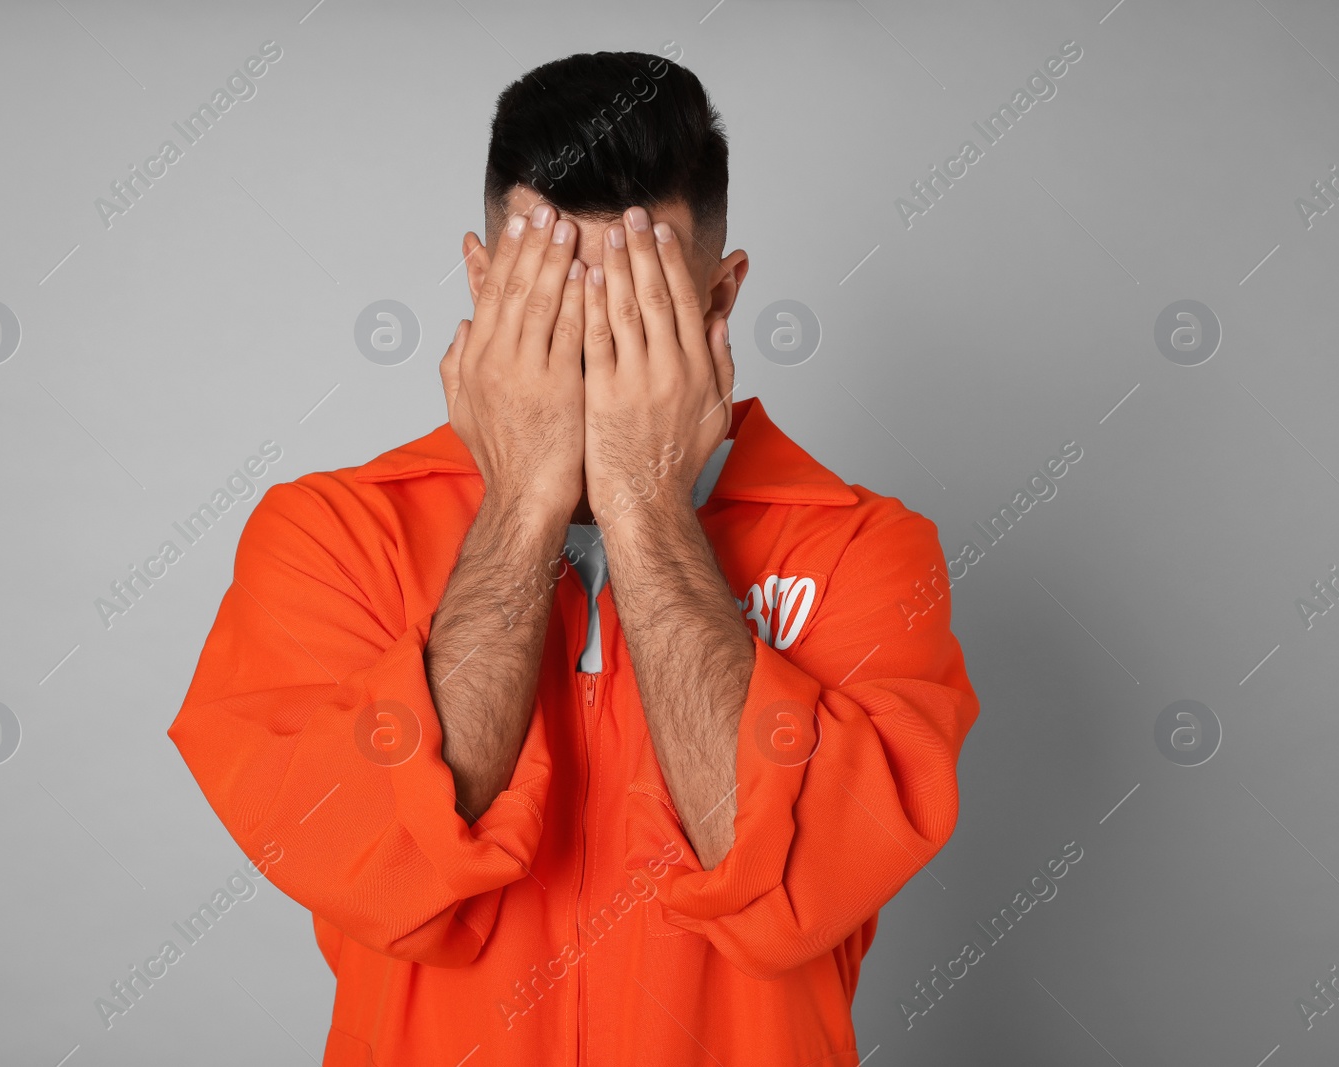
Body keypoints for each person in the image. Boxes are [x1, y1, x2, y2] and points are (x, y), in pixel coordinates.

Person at [168, 50, 979, 1067]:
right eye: (553, 297)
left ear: (719, 301)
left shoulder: (867, 550)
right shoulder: (329, 535)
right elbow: (392, 860)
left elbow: (781, 874)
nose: (591, 341)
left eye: (640, 306)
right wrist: (523, 500)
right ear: (482, 283)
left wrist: (641, 503)